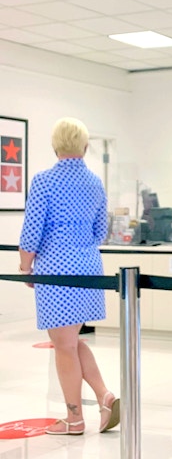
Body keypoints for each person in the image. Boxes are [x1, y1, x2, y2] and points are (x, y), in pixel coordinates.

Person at [18, 117, 120, 436]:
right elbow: (100, 231)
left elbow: (32, 230)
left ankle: (74, 419)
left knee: (62, 345)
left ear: (55, 146)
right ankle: (105, 396)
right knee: (71, 341)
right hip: (88, 266)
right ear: (86, 146)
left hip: (56, 270)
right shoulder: (95, 183)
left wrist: (25, 266)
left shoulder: (44, 181)